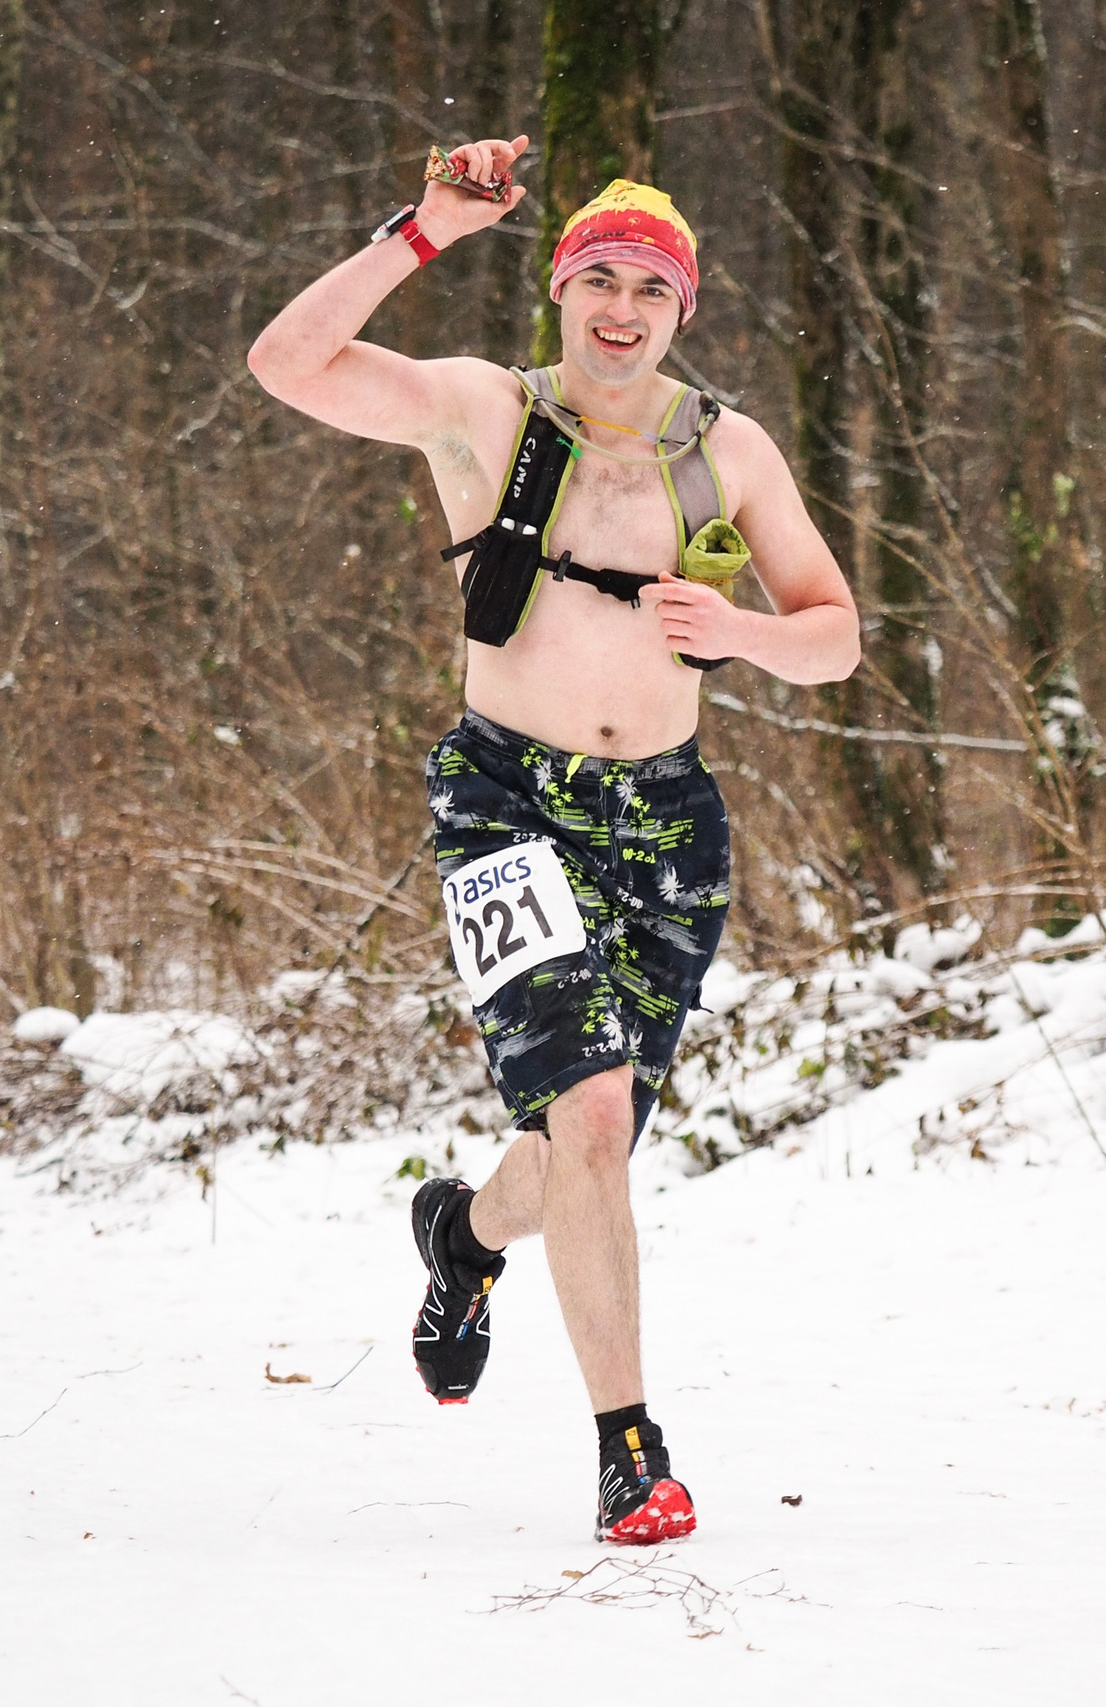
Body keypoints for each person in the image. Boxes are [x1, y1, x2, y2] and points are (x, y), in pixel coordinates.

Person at [246, 136, 860, 1544]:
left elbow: (837, 637)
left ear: (683, 309)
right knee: (585, 1117)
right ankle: (627, 1453)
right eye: (598, 281)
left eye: (651, 287)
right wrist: (423, 234)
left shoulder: (728, 452)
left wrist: (747, 634)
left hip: (667, 822)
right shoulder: (482, 410)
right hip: (506, 803)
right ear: (560, 292)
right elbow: (285, 361)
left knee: (593, 1147)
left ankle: (461, 1237)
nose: (622, 310)